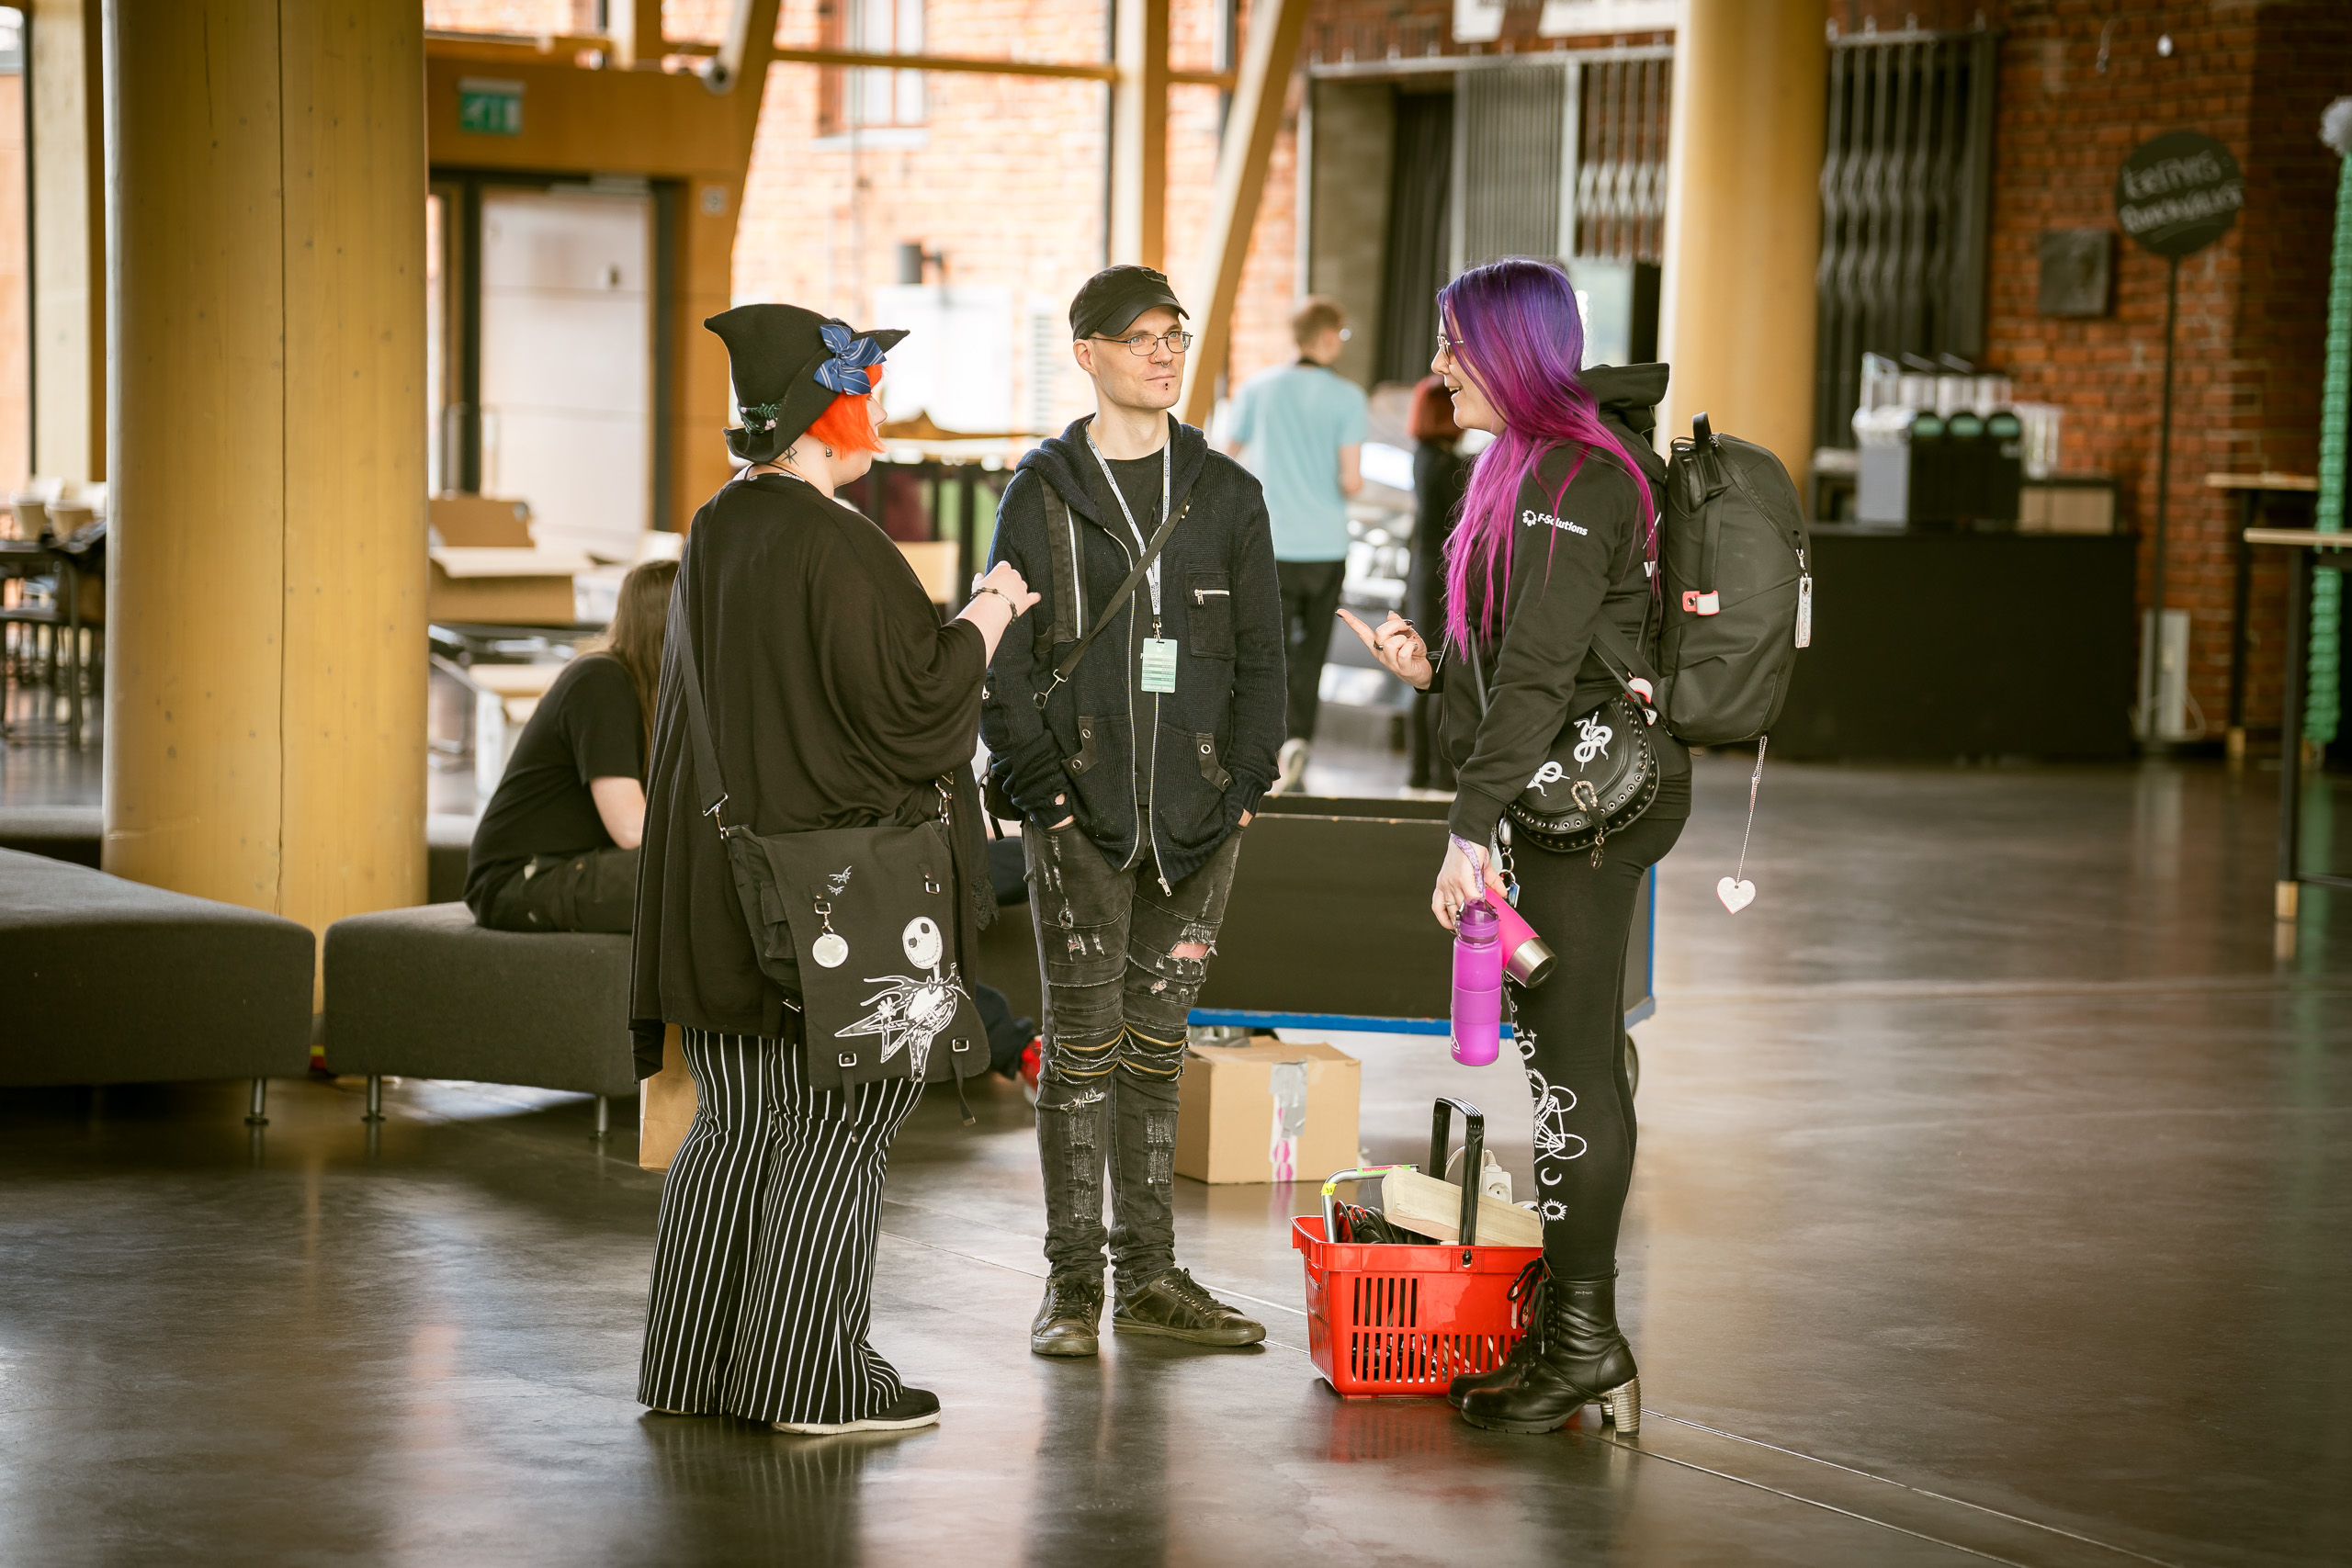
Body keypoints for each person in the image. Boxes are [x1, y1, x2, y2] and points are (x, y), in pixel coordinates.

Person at [629, 303, 1040, 1436]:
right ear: (828, 413)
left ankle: (695, 1369)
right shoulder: (837, 541)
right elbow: (916, 704)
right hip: (830, 903)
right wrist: (993, 609)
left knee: (735, 1125)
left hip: (720, 889)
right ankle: (808, 1383)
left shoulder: (716, 527)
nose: (879, 416)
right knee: (839, 1123)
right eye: (866, 394)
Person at [1339, 258, 1688, 1435]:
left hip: (1587, 807)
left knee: (1571, 1069)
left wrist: (1466, 829)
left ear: (1512, 350)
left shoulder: (1576, 475)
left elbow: (1541, 675)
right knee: (1570, 1061)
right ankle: (1573, 1329)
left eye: (1454, 344)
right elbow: (1537, 654)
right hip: (1562, 793)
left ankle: (1584, 1342)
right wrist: (1435, 670)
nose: (1439, 367)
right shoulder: (1530, 468)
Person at [979, 263, 1285, 1358]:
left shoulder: (1226, 494)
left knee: (1158, 1052)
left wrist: (1241, 790)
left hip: (1201, 822)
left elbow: (1266, 660)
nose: (1162, 354)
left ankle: (1149, 1277)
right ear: (1088, 354)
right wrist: (1047, 797)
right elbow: (1003, 661)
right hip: (1077, 818)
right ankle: (1072, 1288)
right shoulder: (1039, 494)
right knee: (1078, 1055)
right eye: (1140, 338)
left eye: (1174, 336)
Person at [464, 557, 678, 932]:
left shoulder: (648, 696)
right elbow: (631, 829)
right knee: (690, 874)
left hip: (574, 864)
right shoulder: (600, 681)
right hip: (519, 879)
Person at [1227, 295, 1366, 794]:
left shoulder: (1257, 388)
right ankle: (1299, 742)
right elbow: (1352, 480)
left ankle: (1261, 747)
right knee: (1312, 653)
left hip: (1269, 544)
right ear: (1327, 337)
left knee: (1267, 649)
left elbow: (1226, 460)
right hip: (1326, 546)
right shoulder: (1349, 397)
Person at [1405, 375, 1467, 793]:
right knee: (1440, 671)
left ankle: (1420, 771)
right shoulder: (1449, 466)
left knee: (1423, 670)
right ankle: (1441, 774)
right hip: (1442, 576)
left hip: (1424, 572)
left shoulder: (1425, 457)